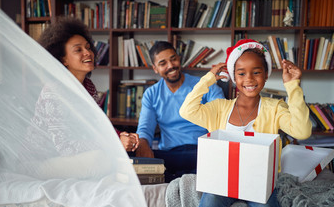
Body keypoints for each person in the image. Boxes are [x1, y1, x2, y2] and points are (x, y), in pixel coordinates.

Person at [179, 39, 312, 207]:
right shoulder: (219, 108)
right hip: (222, 179)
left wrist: (293, 86)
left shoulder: (275, 108)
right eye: (241, 73)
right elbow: (186, 111)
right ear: (233, 77)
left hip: (259, 181)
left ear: (266, 75)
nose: (249, 79)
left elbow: (303, 131)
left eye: (256, 72)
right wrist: (208, 78)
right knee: (210, 201)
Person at [29, 17, 138, 154]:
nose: (88, 52)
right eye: (78, 50)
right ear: (62, 59)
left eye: (88, 47)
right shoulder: (53, 91)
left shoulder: (89, 86)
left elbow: (99, 125)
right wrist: (115, 144)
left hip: (73, 158)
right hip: (43, 159)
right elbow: (64, 147)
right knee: (101, 158)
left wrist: (123, 136)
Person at [135, 41, 225, 182]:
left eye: (173, 59)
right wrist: (142, 144)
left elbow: (222, 115)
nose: (171, 66)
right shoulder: (151, 94)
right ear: (155, 68)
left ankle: (177, 178)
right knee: (132, 156)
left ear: (179, 58)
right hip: (170, 154)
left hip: (200, 150)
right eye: (163, 63)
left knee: (213, 159)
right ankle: (182, 178)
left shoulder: (204, 85)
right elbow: (145, 129)